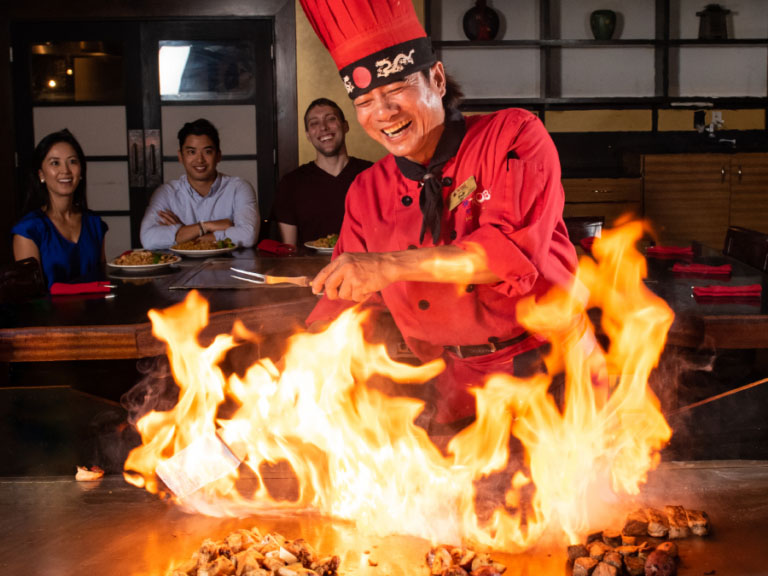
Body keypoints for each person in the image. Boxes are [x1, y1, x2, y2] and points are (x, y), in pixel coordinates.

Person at [299, 0, 606, 426]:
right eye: (365, 101)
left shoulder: (513, 135)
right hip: (453, 378)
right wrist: (301, 370)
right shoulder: (367, 190)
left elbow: (508, 254)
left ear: (437, 79)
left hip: (550, 364)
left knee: (570, 492)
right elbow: (345, 295)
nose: (384, 113)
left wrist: (389, 266)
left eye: (396, 89)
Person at [140, 118, 259, 249]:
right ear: (181, 156)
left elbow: (248, 236)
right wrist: (205, 226)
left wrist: (184, 234)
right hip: (180, 268)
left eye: (207, 152)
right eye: (191, 152)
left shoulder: (238, 188)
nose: (200, 159)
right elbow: (148, 239)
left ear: (218, 155)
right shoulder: (166, 193)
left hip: (228, 265)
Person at [12, 129, 108, 288]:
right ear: (41, 174)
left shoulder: (95, 224)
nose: (65, 171)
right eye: (55, 163)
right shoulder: (28, 230)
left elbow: (102, 281)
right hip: (48, 313)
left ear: (81, 171)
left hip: (97, 311)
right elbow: (28, 301)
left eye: (72, 161)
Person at [273, 98, 372, 249]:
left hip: (365, 268)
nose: (323, 128)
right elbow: (289, 251)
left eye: (331, 119)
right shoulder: (291, 184)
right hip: (311, 270)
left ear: (345, 126)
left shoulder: (373, 175)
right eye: (314, 123)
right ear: (308, 135)